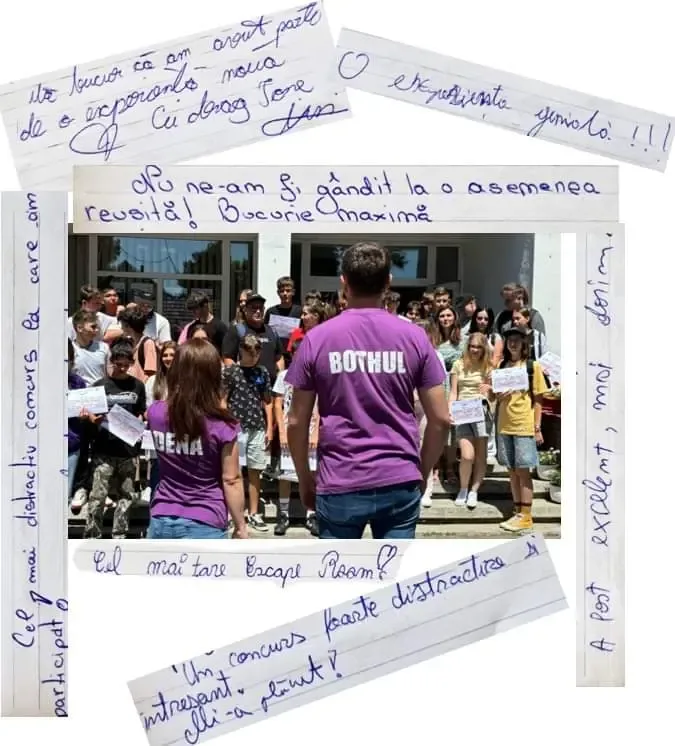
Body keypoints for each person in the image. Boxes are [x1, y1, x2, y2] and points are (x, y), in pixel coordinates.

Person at [285, 241, 451, 540]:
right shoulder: (414, 337)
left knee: (339, 570)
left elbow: (296, 421)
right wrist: (423, 471)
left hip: (340, 478)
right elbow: (440, 419)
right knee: (392, 570)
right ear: (388, 282)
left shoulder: (317, 339)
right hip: (399, 477)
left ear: (344, 282)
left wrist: (304, 478)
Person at [146, 339, 248, 539]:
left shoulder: (155, 413)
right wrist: (240, 526)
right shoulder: (223, 425)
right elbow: (231, 479)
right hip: (205, 519)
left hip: (161, 515)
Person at [81, 339, 146, 539]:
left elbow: (141, 411)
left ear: (132, 362)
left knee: (127, 496)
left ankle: (120, 535)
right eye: (119, 364)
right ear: (112, 362)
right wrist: (91, 418)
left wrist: (139, 422)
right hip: (104, 450)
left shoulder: (138, 386)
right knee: (97, 496)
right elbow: (88, 412)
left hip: (128, 451)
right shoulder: (100, 386)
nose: (123, 368)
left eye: (127, 364)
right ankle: (92, 536)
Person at [493, 327, 547, 533]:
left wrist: (537, 427)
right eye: (509, 340)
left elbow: (539, 399)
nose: (513, 343)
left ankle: (526, 516)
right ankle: (518, 512)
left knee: (523, 471)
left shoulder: (533, 366)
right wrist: (496, 395)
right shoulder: (502, 366)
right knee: (511, 470)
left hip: (523, 424)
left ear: (524, 343)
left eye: (517, 340)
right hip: (504, 425)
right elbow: (495, 396)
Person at [222, 335, 274, 532]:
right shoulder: (231, 372)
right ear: (241, 351)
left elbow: (267, 401)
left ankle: (254, 512)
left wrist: (269, 427)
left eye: (257, 353)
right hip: (235, 428)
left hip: (257, 426)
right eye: (250, 353)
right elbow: (223, 400)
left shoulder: (262, 372)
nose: (253, 357)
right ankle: (232, 512)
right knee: (234, 472)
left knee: (255, 470)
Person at [272, 337, 320, 536]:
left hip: (310, 428)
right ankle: (283, 514)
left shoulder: (316, 373)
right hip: (289, 428)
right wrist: (282, 432)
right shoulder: (284, 375)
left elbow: (320, 403)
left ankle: (311, 514)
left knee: (312, 472)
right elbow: (277, 403)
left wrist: (316, 431)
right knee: (285, 475)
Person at [450, 333, 494, 508]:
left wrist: (489, 389)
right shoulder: (458, 364)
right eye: (472, 346)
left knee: (481, 454)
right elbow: (453, 392)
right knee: (467, 455)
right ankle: (463, 488)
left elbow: (493, 396)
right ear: (467, 347)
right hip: (462, 411)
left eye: (478, 347)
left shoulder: (488, 367)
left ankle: (474, 490)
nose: (475, 350)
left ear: (484, 349)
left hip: (481, 410)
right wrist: (450, 410)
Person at [415, 319, 450, 507]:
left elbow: (442, 383)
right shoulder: (407, 352)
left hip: (427, 406)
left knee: (425, 446)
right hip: (409, 405)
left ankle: (426, 489)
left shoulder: (436, 355)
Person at [142, 341, 177, 503]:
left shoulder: (187, 380)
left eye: (172, 355)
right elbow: (148, 411)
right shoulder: (152, 381)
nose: (168, 358)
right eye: (165, 355)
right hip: (158, 440)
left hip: (180, 441)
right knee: (157, 483)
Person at [221, 293, 284, 381]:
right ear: (245, 310)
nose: (258, 311)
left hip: (270, 386)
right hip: (245, 385)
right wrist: (237, 379)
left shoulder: (272, 331)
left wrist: (280, 377)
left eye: (260, 308)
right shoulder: (237, 330)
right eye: (254, 308)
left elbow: (279, 357)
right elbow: (228, 357)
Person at [67, 339, 87, 502]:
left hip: (71, 444)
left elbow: (84, 408)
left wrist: (84, 415)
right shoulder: (40, 382)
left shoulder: (77, 382)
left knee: (64, 495)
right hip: (45, 446)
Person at [264, 276, 303, 358]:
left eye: (288, 291)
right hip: (275, 354)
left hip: (294, 355)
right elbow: (265, 332)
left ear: (293, 292)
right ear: (278, 293)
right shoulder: (271, 312)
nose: (285, 294)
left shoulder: (300, 311)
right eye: (282, 291)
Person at [118, 307, 158, 383]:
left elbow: (151, 373)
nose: (121, 328)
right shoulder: (128, 342)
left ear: (128, 326)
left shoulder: (147, 343)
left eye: (122, 324)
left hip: (142, 387)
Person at [71, 310, 110, 385]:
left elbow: (109, 374)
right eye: (93, 327)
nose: (97, 330)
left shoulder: (104, 347)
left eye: (97, 327)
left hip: (100, 390)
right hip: (79, 391)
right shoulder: (70, 350)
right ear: (80, 328)